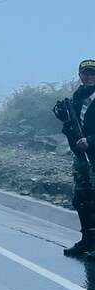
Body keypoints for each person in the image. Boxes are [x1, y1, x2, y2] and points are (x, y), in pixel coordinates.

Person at [54, 59, 95, 257]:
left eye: (93, 73)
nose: (89, 77)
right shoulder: (77, 97)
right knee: (81, 199)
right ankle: (88, 240)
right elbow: (73, 125)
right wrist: (63, 117)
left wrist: (91, 141)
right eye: (85, 73)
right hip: (81, 157)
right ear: (80, 75)